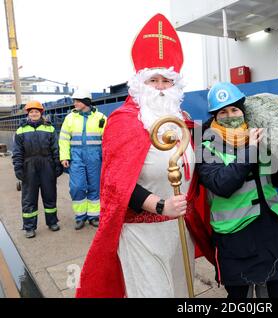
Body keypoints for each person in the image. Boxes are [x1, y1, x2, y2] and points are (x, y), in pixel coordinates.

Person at [75, 13, 213, 298]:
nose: (161, 87)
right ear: (140, 82)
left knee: (180, 292)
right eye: (154, 80)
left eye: (167, 80)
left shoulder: (182, 119)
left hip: (179, 230)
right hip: (143, 233)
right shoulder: (123, 121)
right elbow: (116, 184)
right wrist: (161, 206)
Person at [197, 82, 278, 298]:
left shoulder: (259, 136)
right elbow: (221, 184)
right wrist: (250, 150)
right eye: (222, 111)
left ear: (242, 111)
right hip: (235, 237)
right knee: (239, 297)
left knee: (273, 293)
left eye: (234, 109)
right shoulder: (205, 145)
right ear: (214, 116)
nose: (230, 115)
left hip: (271, 229)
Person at [12, 101, 63, 238]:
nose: (34, 114)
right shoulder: (21, 130)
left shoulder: (49, 128)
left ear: (41, 113)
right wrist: (18, 167)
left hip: (47, 164)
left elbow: (55, 149)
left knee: (50, 195)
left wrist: (57, 164)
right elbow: (17, 151)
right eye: (31, 112)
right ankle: (29, 227)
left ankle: (52, 222)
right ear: (28, 114)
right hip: (28, 166)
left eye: (36, 111)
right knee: (29, 198)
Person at [59, 89, 107, 230]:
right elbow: (63, 139)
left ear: (85, 102)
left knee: (95, 187)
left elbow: (107, 139)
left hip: (95, 157)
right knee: (77, 187)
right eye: (74, 101)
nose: (74, 103)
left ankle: (93, 216)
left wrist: (106, 157)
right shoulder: (70, 118)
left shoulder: (101, 118)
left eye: (77, 101)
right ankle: (80, 217)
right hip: (76, 157)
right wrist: (64, 157)